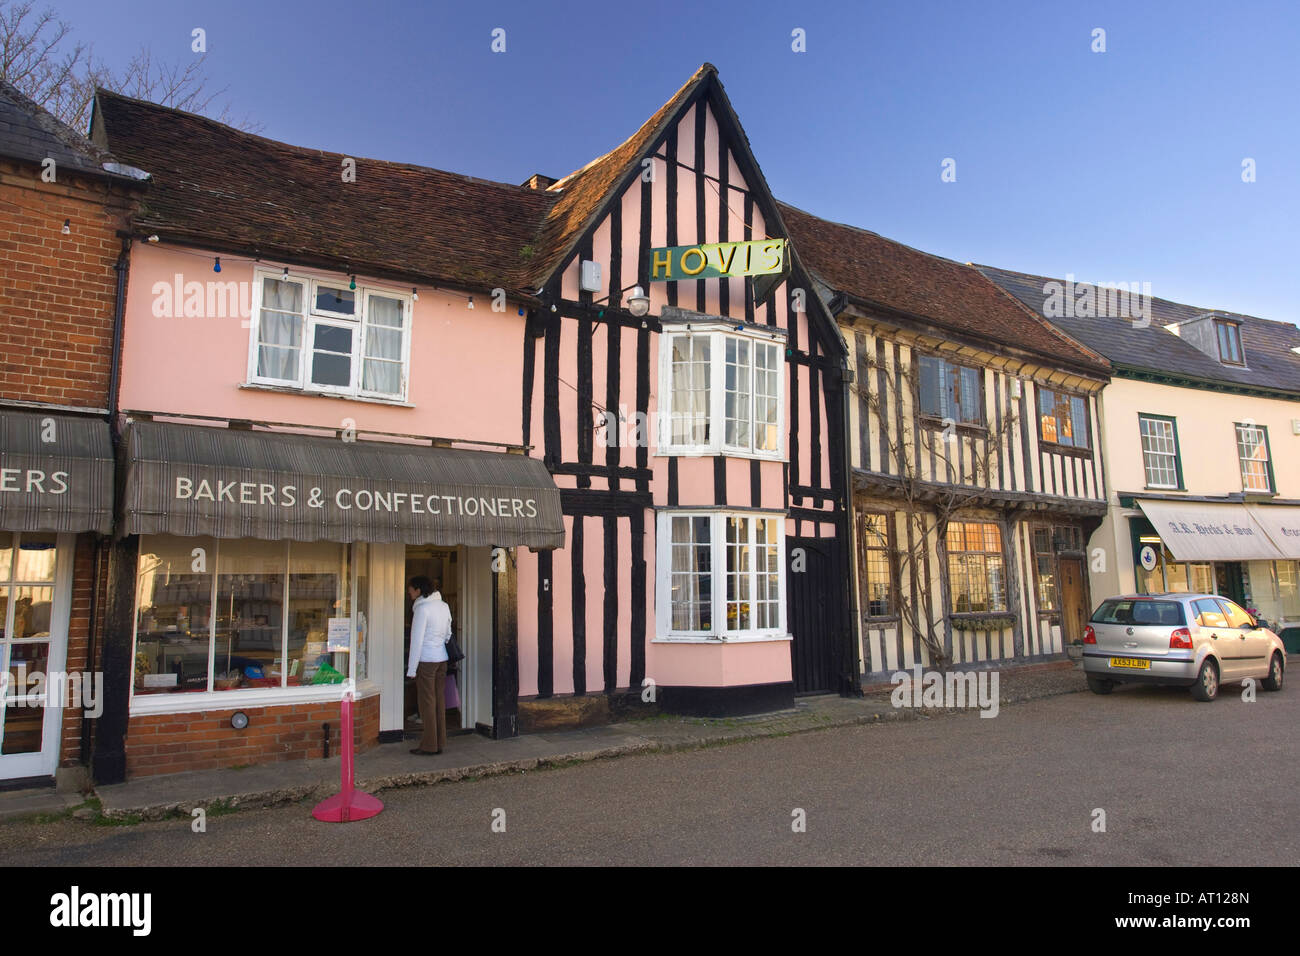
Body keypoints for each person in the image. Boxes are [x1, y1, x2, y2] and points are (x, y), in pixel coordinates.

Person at [406, 575, 452, 755]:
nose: (408, 592)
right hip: (442, 658)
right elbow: (448, 634)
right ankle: (440, 742)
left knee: (426, 703)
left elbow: (416, 641)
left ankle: (429, 745)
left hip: (426, 660)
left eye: (410, 588)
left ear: (418, 590)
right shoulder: (444, 606)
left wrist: (411, 669)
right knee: (439, 701)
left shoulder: (422, 609)